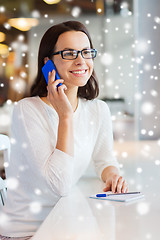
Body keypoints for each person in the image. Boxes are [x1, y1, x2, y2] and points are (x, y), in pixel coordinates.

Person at [0, 20, 128, 240]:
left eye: (86, 52)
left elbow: (104, 159)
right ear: (48, 63)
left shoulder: (98, 110)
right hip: (28, 233)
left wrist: (112, 175)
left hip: (66, 224)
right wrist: (65, 116)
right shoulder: (27, 110)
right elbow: (60, 186)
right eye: (69, 53)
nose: (81, 61)